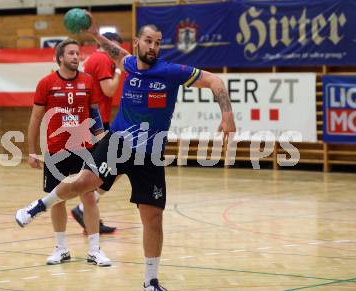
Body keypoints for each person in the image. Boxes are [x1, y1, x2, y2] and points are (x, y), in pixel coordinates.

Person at [16, 14, 236, 290]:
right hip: (118, 142)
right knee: (86, 182)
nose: (153, 47)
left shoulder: (171, 72)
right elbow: (112, 48)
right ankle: (38, 206)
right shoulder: (129, 63)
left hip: (150, 152)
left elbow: (215, 81)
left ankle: (150, 281)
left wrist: (227, 114)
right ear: (137, 43)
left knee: (153, 217)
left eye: (158, 42)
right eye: (148, 41)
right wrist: (94, 32)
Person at [24, 38, 111, 266]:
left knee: (89, 196)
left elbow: (95, 115)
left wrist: (101, 140)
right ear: (60, 57)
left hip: (84, 149)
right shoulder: (47, 83)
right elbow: (35, 118)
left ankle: (94, 250)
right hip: (56, 150)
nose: (76, 57)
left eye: (78, 53)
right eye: (71, 53)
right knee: (58, 200)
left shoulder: (88, 81)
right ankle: (61, 249)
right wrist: (32, 151)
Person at [71, 32, 124, 234]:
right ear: (110, 46)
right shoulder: (103, 59)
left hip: (92, 122)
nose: (119, 54)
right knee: (113, 166)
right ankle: (84, 209)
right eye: (117, 50)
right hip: (96, 123)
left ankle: (88, 213)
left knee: (105, 168)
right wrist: (119, 71)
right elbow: (109, 90)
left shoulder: (94, 58)